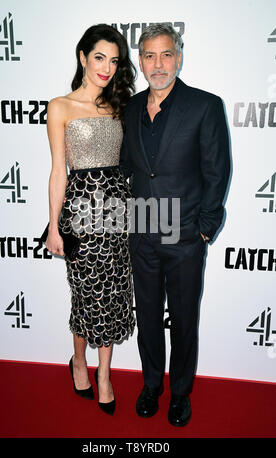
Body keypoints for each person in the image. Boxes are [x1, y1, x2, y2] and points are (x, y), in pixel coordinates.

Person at [120, 24, 230, 426]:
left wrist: (204, 228)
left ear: (179, 57)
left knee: (184, 319)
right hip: (143, 232)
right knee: (148, 315)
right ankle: (152, 384)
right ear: (141, 61)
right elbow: (131, 169)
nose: (158, 64)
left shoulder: (205, 106)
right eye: (150, 56)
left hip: (184, 235)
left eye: (166, 54)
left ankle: (180, 392)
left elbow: (216, 171)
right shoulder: (130, 109)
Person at [45, 24, 136, 416]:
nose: (107, 68)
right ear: (82, 57)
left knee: (112, 293)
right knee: (87, 295)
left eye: (114, 60)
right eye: (99, 57)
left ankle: (103, 375)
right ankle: (79, 361)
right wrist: (53, 225)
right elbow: (58, 171)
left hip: (117, 212)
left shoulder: (118, 106)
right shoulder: (60, 106)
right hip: (80, 215)